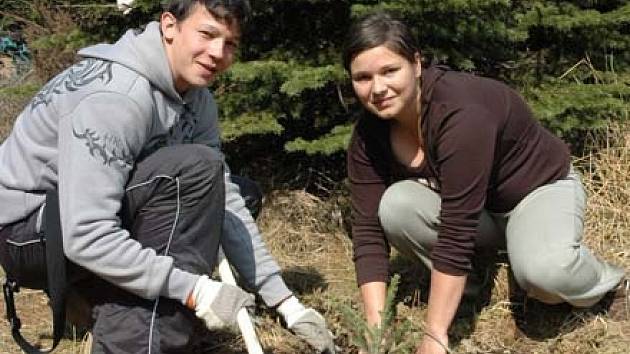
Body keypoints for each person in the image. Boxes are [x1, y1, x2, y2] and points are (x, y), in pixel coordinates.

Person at [0, 1, 336, 353]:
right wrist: (194, 290)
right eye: (207, 34)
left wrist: (285, 303)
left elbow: (224, 196)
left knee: (231, 189)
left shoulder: (197, 97)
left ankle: (100, 298)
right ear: (169, 25)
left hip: (74, 219)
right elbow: (84, 233)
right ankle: (137, 338)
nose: (217, 53)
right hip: (27, 234)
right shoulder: (116, 99)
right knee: (191, 173)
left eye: (231, 43)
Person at [343, 12, 628, 354]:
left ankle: (610, 285)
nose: (377, 89)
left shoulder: (460, 113)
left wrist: (434, 335)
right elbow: (368, 233)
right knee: (395, 206)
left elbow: (456, 230)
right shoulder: (368, 135)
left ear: (416, 64)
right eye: (363, 77)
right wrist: (374, 334)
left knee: (545, 274)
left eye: (390, 71)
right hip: (482, 210)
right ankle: (468, 290)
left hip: (536, 193)